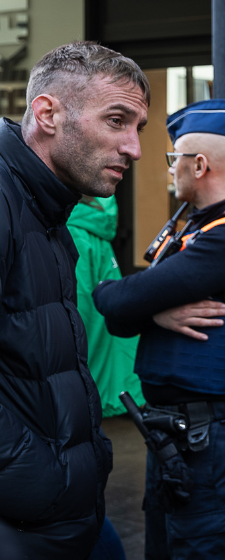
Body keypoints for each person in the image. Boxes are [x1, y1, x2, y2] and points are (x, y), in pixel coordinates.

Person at [93, 99, 225, 560]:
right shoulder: (201, 229)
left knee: (198, 545)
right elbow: (119, 318)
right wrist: (156, 314)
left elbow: (115, 298)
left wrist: (141, 305)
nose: (169, 168)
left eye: (174, 158)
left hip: (207, 435)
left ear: (199, 165)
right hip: (178, 431)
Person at [0, 41, 148, 558]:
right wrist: (44, 482)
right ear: (47, 114)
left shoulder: (48, 210)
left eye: (138, 127)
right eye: (116, 120)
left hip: (66, 509)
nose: (134, 148)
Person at [68, 194, 145, 417]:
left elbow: (77, 303)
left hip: (78, 374)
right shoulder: (99, 227)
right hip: (107, 329)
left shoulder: (71, 230)